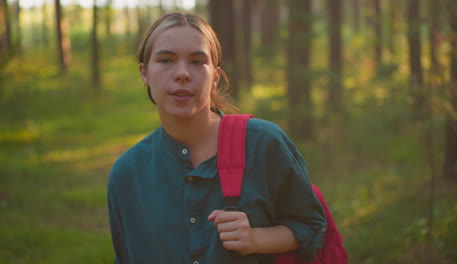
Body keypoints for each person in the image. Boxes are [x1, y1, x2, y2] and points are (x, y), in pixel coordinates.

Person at [107, 12, 327, 264]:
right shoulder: (126, 174)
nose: (182, 74)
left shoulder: (265, 144)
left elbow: (311, 226)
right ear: (144, 73)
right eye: (166, 60)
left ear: (216, 77)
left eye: (197, 61)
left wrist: (256, 239)